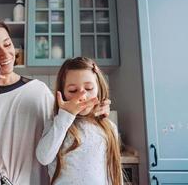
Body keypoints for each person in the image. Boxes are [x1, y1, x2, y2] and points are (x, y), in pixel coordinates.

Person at [0, 13, 111, 185]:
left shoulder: (38, 91)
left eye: (7, 44)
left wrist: (93, 113)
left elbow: (64, 129)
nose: (5, 54)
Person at [36, 57, 123, 185]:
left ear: (99, 89)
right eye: (72, 90)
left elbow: (114, 172)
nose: (82, 96)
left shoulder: (109, 128)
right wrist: (65, 116)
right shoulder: (57, 125)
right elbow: (43, 158)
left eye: (88, 89)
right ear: (62, 93)